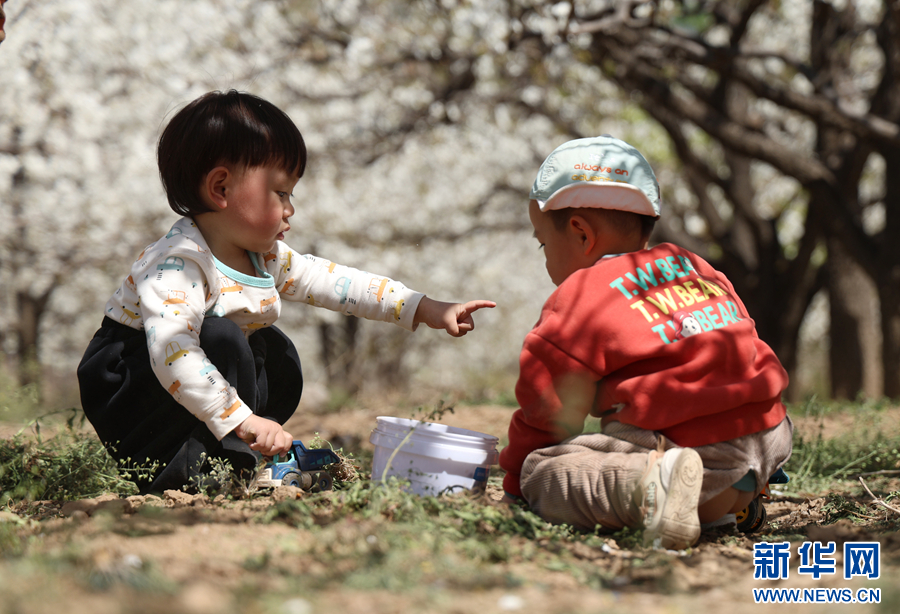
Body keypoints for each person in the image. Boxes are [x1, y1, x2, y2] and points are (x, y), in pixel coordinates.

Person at [77, 90, 495, 494]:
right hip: (135, 392)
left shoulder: (264, 257)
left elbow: (334, 283)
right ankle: (186, 470)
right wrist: (242, 418)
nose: (290, 209)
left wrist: (420, 308)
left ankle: (239, 460)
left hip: (197, 381)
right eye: (280, 193)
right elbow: (174, 355)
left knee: (278, 354)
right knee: (222, 338)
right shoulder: (179, 263)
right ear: (221, 188)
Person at [499, 136, 792, 550]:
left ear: (581, 234)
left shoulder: (582, 296)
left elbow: (546, 409)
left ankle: (657, 488)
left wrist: (514, 487)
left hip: (701, 460)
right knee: (705, 427)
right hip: (768, 440)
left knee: (541, 472)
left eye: (544, 243)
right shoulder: (695, 268)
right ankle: (742, 501)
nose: (545, 258)